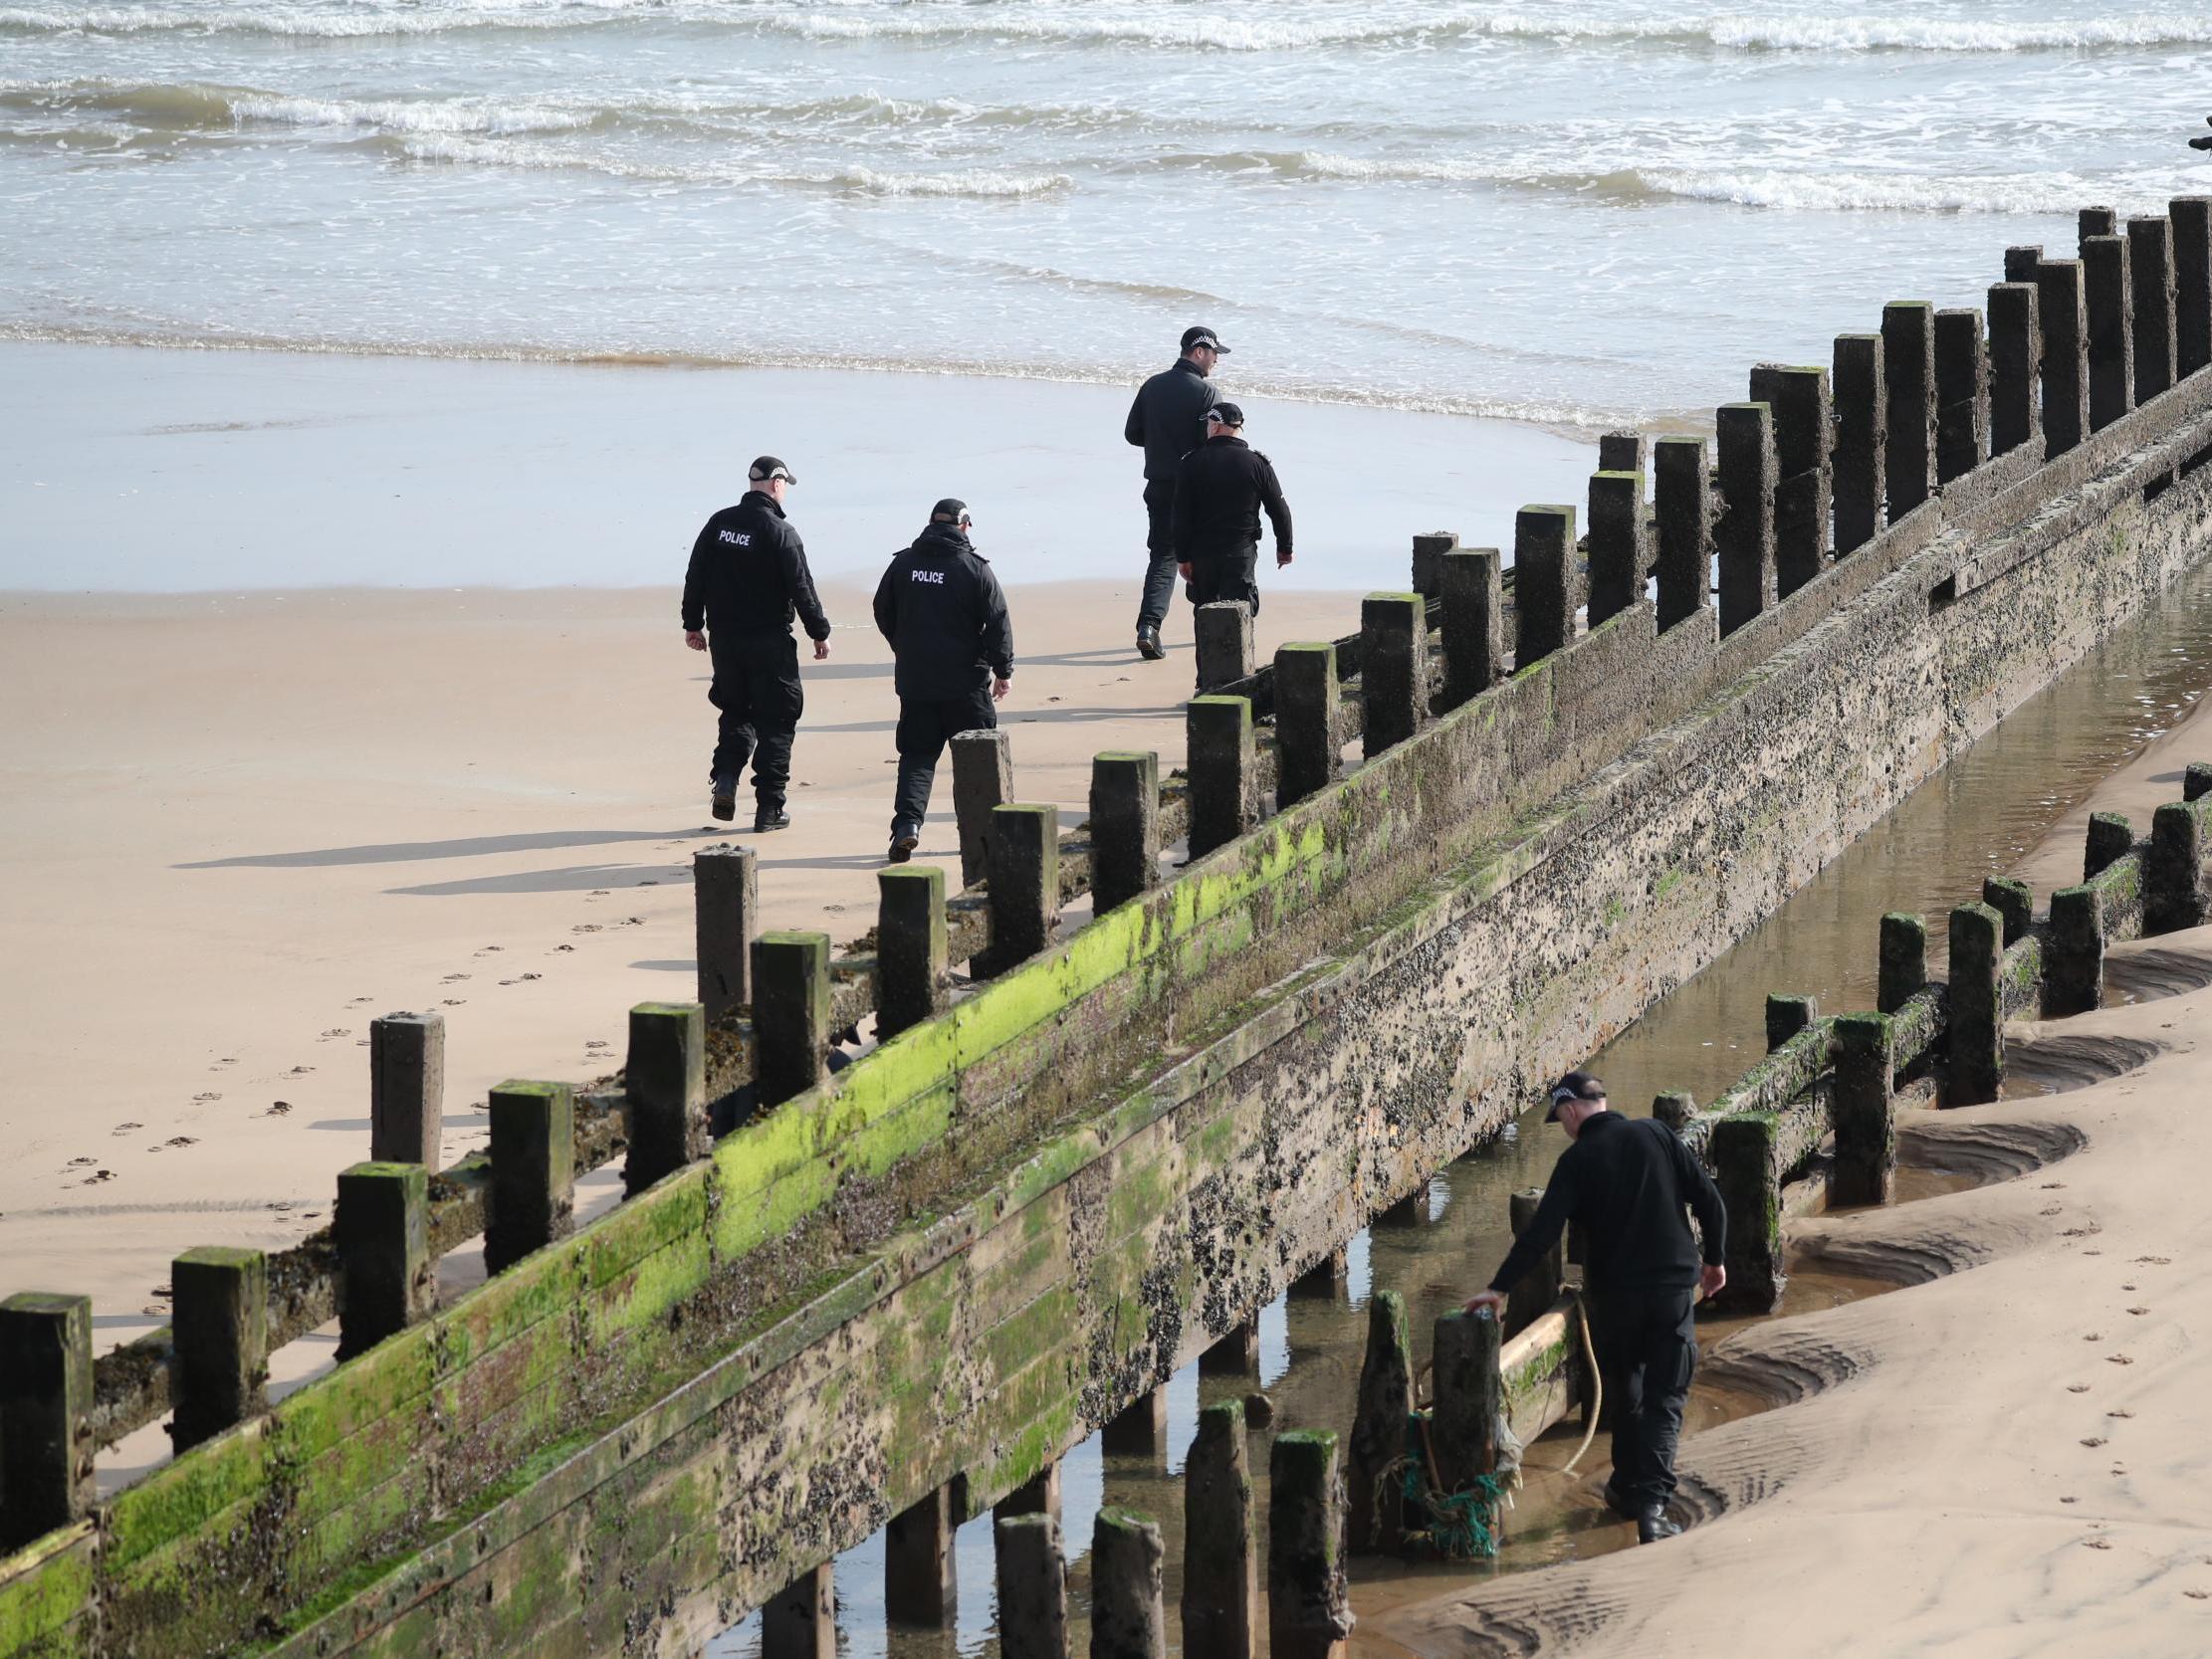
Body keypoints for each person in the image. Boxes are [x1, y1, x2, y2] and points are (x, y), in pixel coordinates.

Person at [1460, 1070, 1728, 1547]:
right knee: (1666, 1399)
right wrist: (1715, 1261)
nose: (1562, 1127)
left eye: (1559, 1119)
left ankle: (1636, 1495)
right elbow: (1709, 1200)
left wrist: (1498, 1289)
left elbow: (1540, 1235)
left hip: (1615, 1300)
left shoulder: (1576, 1160)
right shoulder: (1658, 1134)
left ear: (1569, 1111)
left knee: (1626, 1396)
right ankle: (1645, 1502)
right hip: (1670, 1292)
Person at [681, 456, 831, 832]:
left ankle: (727, 778)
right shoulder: (781, 532)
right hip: (770, 642)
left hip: (726, 641)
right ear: (777, 484)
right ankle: (769, 809)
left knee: (736, 710)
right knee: (778, 719)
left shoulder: (719, 523)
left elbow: (695, 573)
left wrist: (692, 624)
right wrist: (819, 631)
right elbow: (802, 588)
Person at [872, 498, 1013, 863]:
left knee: (917, 757)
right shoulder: (974, 568)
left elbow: (882, 610)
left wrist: (903, 647)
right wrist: (1003, 669)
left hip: (916, 682)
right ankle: (985, 839)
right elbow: (997, 621)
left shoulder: (904, 564)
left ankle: (906, 827)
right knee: (979, 760)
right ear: (964, 525)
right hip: (965, 685)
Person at [1124, 325, 1225, 661]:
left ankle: (1148, 628)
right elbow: (1212, 442)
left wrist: (1161, 443)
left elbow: (1132, 433)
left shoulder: (1152, 386)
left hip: (1158, 486)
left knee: (1164, 557)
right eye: (1214, 354)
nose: (1215, 362)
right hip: (1195, 489)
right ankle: (1209, 627)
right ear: (1199, 351)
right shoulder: (1207, 393)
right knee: (1206, 555)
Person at [1171, 402, 1292, 629]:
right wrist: (1285, 548)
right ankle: (1238, 663)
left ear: (1216, 426)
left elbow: (1180, 516)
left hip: (1202, 554)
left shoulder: (1191, 463)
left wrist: (1183, 557)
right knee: (1239, 617)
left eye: (1208, 424)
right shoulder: (1257, 464)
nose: (1207, 428)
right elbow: (1279, 509)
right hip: (1240, 552)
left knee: (1205, 617)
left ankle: (1206, 664)